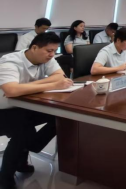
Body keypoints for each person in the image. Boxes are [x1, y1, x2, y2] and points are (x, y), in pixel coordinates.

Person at [0, 33, 72, 189]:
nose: (52, 55)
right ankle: (5, 178)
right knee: (23, 133)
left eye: (54, 51)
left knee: (61, 115)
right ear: (34, 47)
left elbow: (60, 76)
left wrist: (30, 86)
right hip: (3, 110)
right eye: (49, 50)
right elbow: (11, 90)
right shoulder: (10, 61)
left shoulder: (47, 58)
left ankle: (31, 147)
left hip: (24, 106)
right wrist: (51, 84)